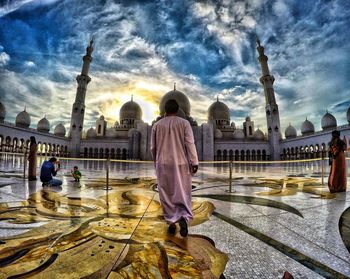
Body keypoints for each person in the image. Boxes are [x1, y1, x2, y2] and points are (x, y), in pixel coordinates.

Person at [151, 99, 198, 237]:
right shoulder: (184, 123)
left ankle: (171, 222)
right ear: (177, 110)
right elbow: (190, 143)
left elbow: (153, 147)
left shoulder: (157, 125)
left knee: (166, 193)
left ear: (164, 110)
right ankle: (183, 218)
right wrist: (194, 162)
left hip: (163, 163)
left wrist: (157, 161)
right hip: (181, 163)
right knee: (182, 191)